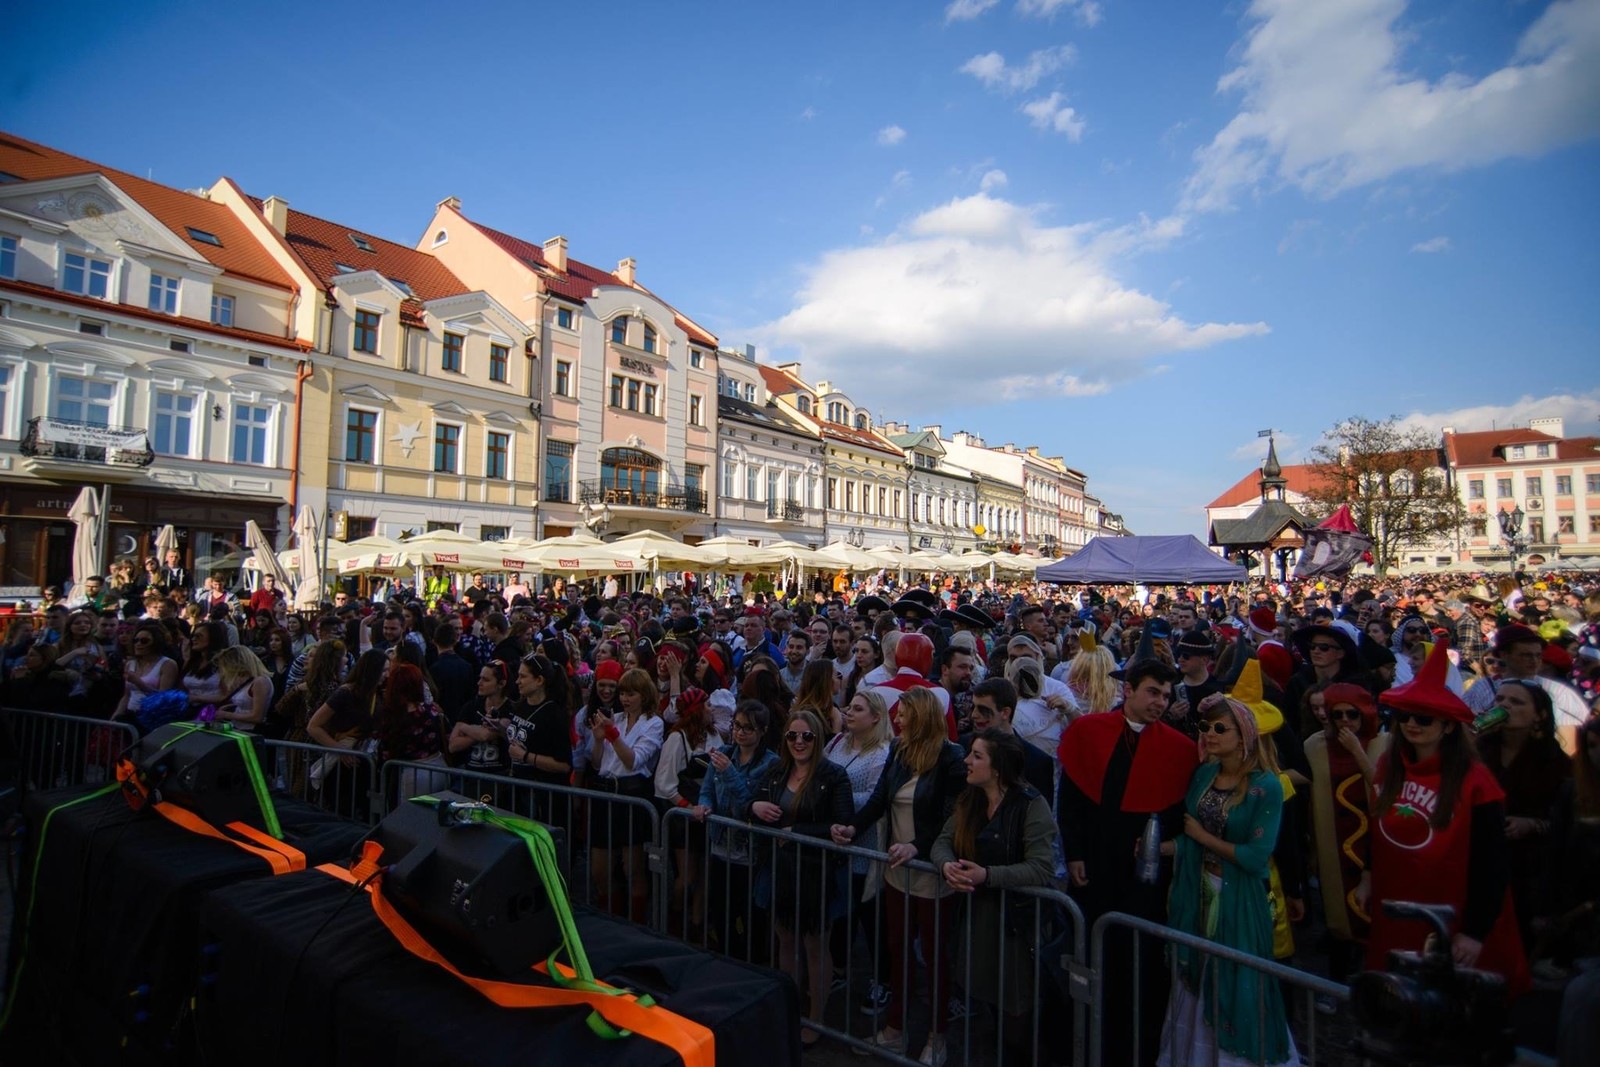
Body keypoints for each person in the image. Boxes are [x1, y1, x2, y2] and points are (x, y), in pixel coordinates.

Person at [1362, 641, 1530, 997]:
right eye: (1404, 715)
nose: (1411, 724)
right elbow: (1375, 826)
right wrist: (1366, 876)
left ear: (1449, 726)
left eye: (1424, 718)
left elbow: (1492, 862)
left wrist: (1475, 931)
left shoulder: (1475, 781)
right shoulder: (1388, 766)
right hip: (1396, 903)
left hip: (1450, 914)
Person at [1057, 658, 1198, 1065]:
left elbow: (1176, 811)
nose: (1161, 702)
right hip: (1094, 868)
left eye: (1166, 695)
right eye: (1153, 692)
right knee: (1090, 958)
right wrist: (1074, 852)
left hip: (1144, 882)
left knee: (1138, 969)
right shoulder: (1089, 731)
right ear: (1129, 690)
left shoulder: (1179, 748)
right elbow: (1071, 800)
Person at [1157, 693, 1295, 1067]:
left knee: (1236, 981)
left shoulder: (1266, 786)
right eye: (1206, 727)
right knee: (1196, 979)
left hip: (1238, 899)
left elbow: (1255, 856)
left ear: (1244, 734)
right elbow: (1190, 835)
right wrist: (1166, 848)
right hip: (1197, 892)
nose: (1210, 734)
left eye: (1220, 728)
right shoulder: (1204, 774)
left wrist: (1203, 838)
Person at [831, 687, 968, 1065]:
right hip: (896, 870)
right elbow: (880, 800)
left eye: (904, 713)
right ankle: (895, 1028)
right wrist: (851, 827)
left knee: (936, 958)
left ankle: (936, 1036)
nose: (898, 719)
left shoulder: (951, 758)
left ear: (921, 717)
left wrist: (917, 848)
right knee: (898, 949)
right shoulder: (899, 750)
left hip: (931, 872)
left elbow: (951, 818)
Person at [930, 729, 1059, 1066]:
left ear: (998, 768)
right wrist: (946, 865)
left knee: (1018, 1016)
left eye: (977, 756)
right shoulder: (970, 799)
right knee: (993, 1010)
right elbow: (943, 841)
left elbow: (1041, 867)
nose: (967, 761)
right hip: (979, 921)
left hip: (1016, 927)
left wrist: (987, 875)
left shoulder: (1031, 805)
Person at [751, 707, 854, 1047]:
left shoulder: (834, 775)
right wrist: (754, 807)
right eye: (792, 735)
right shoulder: (776, 770)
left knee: (814, 946)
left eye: (806, 736)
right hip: (780, 869)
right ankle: (790, 1008)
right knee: (785, 940)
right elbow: (752, 800)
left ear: (818, 738)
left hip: (816, 873)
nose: (799, 742)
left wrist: (796, 832)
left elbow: (842, 822)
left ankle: (816, 1018)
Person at [1303, 681, 1389, 988]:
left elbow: (1383, 792)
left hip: (1376, 846)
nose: (1344, 722)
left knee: (1377, 918)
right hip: (1332, 845)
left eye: (1351, 714)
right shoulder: (1314, 746)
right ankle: (1337, 984)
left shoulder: (1384, 745)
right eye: (1336, 714)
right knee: (1337, 918)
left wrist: (1356, 751)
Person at [1476, 679, 1570, 944]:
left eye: (1516, 702)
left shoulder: (1556, 763)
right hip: (1480, 859)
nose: (1504, 705)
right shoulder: (1478, 751)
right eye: (1500, 700)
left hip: (1527, 870)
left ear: (1539, 715)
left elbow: (1567, 823)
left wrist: (1532, 825)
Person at [823, 687, 895, 1017]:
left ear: (876, 717)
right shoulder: (838, 742)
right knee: (840, 912)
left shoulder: (882, 753)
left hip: (866, 845)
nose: (848, 712)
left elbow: (876, 797)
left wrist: (833, 798)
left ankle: (882, 979)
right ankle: (838, 968)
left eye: (858, 709)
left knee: (871, 917)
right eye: (849, 707)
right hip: (836, 842)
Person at [694, 699, 780, 964]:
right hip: (720, 848)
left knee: (752, 918)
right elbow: (707, 789)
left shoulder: (771, 763)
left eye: (748, 728)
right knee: (722, 915)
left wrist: (730, 773)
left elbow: (751, 804)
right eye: (737, 725)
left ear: (763, 731)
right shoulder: (723, 753)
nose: (740, 732)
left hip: (750, 855)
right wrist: (704, 805)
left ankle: (752, 967)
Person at [587, 666, 663, 923]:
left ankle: (636, 924)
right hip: (606, 794)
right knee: (599, 870)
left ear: (644, 695)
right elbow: (597, 763)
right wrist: (599, 739)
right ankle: (610, 920)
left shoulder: (653, 723)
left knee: (633, 869)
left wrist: (612, 735)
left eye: (631, 694)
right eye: (623, 693)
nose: (625, 699)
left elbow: (633, 761)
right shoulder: (616, 719)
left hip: (633, 797)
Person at [654, 686, 719, 941]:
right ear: (696, 710)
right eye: (707, 705)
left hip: (707, 813)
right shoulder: (676, 739)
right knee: (688, 875)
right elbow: (664, 783)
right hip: (684, 817)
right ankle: (675, 914)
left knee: (704, 873)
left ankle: (696, 924)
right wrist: (687, 807)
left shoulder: (714, 735)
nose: (712, 709)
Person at [446, 659, 514, 776]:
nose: (479, 683)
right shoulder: (471, 706)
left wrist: (464, 728)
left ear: (501, 684)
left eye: (486, 680)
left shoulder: (510, 709)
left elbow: (485, 735)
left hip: (499, 775)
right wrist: (477, 731)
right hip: (470, 774)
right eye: (480, 678)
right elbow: (452, 746)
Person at [111, 623, 179, 724]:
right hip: (130, 714)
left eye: (144, 641)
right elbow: (127, 696)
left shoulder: (167, 664)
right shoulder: (130, 664)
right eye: (136, 640)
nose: (138, 644)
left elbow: (162, 698)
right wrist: (115, 717)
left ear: (156, 643)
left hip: (151, 717)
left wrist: (139, 683)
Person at [211, 646, 273, 731]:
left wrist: (226, 714)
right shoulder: (245, 680)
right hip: (237, 727)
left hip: (250, 730)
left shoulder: (260, 682)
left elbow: (257, 717)